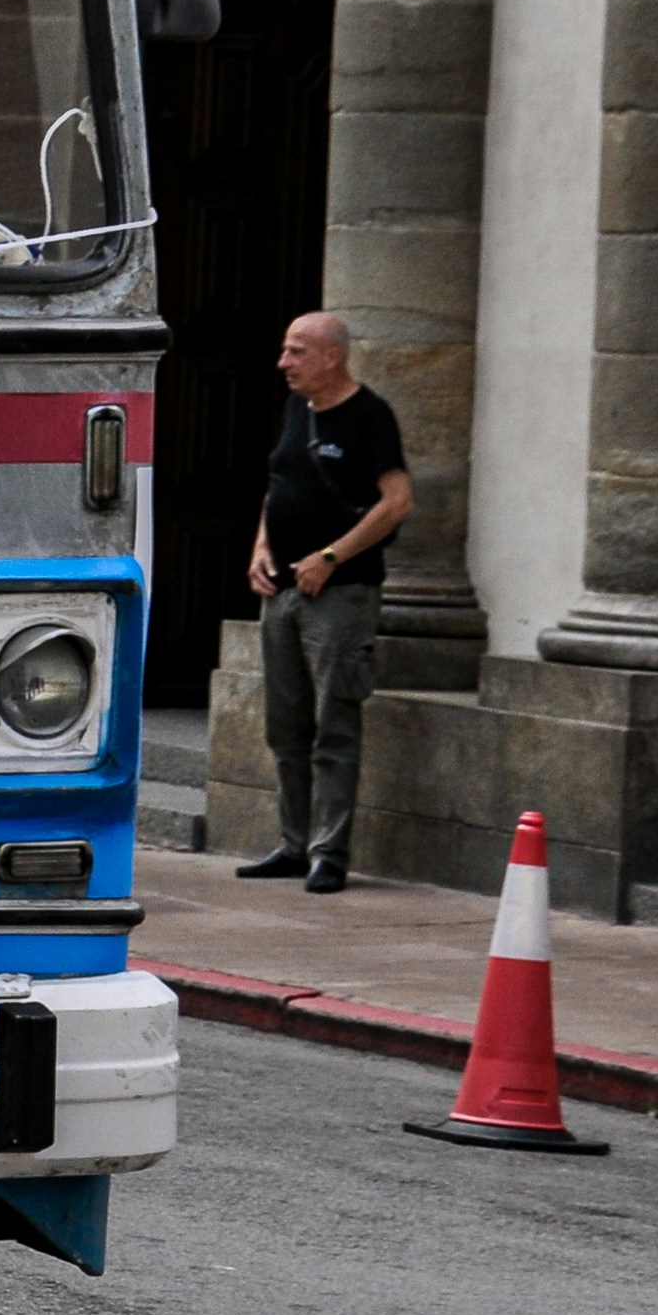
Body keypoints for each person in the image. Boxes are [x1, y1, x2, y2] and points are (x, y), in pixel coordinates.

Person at [238, 312, 412, 894]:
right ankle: (293, 843)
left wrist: (331, 557)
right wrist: (262, 548)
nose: (284, 362)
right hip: (282, 591)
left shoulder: (371, 417)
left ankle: (329, 853)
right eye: (285, 350)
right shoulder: (296, 412)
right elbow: (279, 485)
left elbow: (397, 502)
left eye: (296, 352)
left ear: (332, 357)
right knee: (285, 727)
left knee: (333, 725)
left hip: (339, 594)